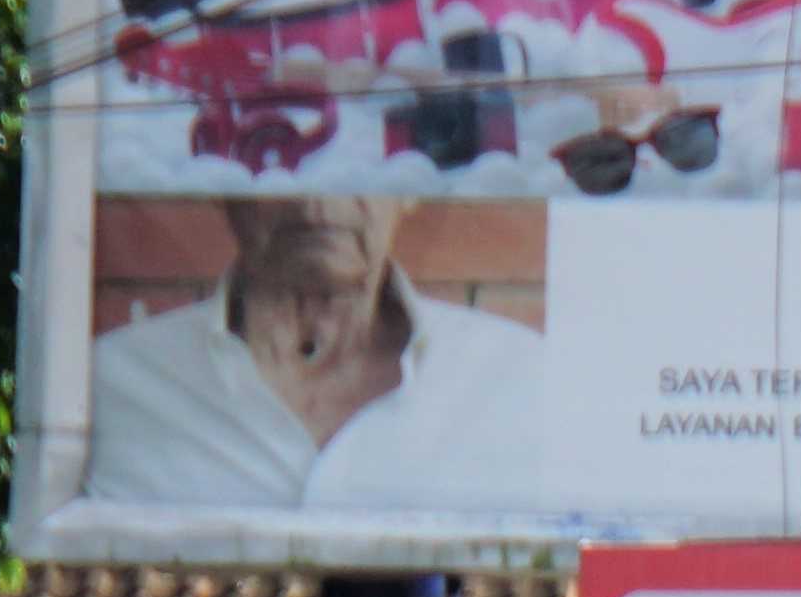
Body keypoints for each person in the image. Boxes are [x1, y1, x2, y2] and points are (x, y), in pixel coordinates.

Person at [84, 196, 548, 511]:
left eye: (356, 156)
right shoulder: (107, 385)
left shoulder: (522, 380)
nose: (317, 203)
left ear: (409, 188)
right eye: (276, 155)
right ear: (219, 181)